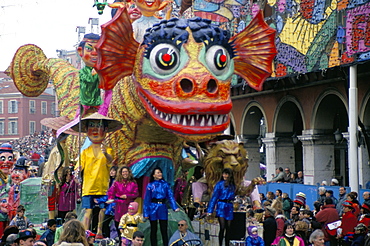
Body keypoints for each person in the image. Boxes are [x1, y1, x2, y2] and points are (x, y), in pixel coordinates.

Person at [72, 113, 122, 239]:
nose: (95, 129)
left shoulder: (108, 150)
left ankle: (99, 230)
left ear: (105, 130)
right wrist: (77, 170)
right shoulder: (84, 152)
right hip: (88, 186)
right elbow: (79, 166)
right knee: (88, 210)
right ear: (86, 130)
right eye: (91, 126)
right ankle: (85, 232)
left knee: (103, 208)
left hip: (102, 185)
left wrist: (105, 154)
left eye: (99, 126)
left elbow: (110, 161)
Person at [143, 167, 179, 246]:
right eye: (157, 172)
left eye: (160, 172)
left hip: (162, 206)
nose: (159, 174)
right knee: (153, 229)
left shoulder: (165, 184)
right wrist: (146, 213)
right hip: (153, 207)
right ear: (153, 175)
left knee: (164, 229)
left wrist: (174, 207)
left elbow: (170, 196)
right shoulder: (150, 185)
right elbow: (147, 200)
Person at [207, 168, 236, 246]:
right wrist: (210, 210)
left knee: (228, 228)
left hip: (229, 206)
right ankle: (220, 244)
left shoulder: (232, 185)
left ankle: (227, 244)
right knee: (222, 227)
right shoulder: (219, 184)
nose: (225, 175)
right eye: (224, 174)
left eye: (226, 174)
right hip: (221, 206)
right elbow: (214, 197)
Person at [107, 166, 139, 237]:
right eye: (123, 172)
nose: (125, 173)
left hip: (129, 206)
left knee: (128, 225)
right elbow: (110, 192)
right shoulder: (116, 183)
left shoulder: (133, 183)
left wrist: (127, 196)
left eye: (126, 171)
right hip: (119, 206)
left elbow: (136, 194)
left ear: (129, 172)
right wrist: (111, 200)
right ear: (121, 173)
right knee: (118, 224)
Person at [102, 165, 118, 238]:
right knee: (105, 223)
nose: (111, 172)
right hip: (109, 205)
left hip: (115, 205)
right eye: (111, 170)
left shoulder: (118, 182)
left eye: (113, 171)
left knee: (116, 223)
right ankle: (107, 238)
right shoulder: (109, 181)